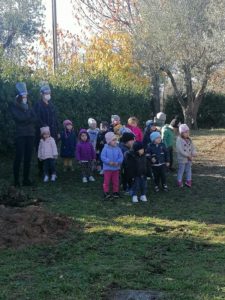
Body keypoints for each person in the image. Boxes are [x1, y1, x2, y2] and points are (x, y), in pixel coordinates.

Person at [10, 82, 36, 187]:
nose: (25, 97)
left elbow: (35, 117)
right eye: (23, 95)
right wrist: (28, 118)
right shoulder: (14, 105)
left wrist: (27, 118)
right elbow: (19, 118)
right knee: (19, 157)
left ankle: (26, 179)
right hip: (20, 134)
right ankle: (16, 180)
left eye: (26, 95)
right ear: (19, 96)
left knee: (28, 157)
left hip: (30, 134)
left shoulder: (29, 104)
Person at [34, 82, 59, 173]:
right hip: (42, 132)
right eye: (46, 93)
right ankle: (42, 170)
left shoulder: (51, 105)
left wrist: (57, 131)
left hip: (52, 131)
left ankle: (51, 169)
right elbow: (37, 118)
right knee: (42, 149)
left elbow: (55, 118)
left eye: (49, 93)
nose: (48, 95)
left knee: (52, 149)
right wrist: (44, 128)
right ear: (42, 94)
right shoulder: (38, 105)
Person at [101, 132, 123, 199]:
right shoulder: (105, 148)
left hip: (116, 168)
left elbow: (121, 156)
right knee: (106, 181)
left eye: (115, 139)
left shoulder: (118, 148)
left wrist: (118, 162)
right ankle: (106, 192)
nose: (115, 141)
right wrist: (109, 162)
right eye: (113, 140)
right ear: (109, 141)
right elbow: (103, 157)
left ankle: (115, 192)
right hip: (107, 168)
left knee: (116, 181)